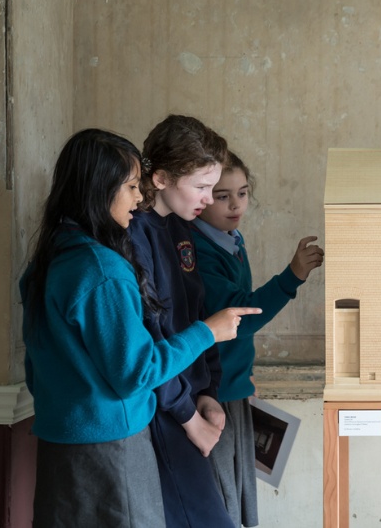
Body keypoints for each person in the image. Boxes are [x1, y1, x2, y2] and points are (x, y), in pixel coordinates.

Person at [20, 128, 260, 528]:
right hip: (112, 438)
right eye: (132, 186)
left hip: (63, 437)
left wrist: (205, 389)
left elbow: (36, 368)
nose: (139, 196)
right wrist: (207, 332)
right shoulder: (102, 266)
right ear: (99, 189)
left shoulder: (49, 258)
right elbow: (138, 372)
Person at [192, 151, 324, 527]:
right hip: (211, 395)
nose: (235, 204)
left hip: (233, 388)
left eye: (243, 193)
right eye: (222, 195)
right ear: (202, 198)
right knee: (221, 500)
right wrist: (291, 277)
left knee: (238, 493)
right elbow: (239, 317)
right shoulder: (198, 250)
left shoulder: (232, 239)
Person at [128, 115, 238, 528]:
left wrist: (207, 390)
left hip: (190, 402)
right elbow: (148, 342)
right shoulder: (134, 233)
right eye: (201, 187)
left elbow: (196, 312)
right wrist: (189, 419)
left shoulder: (182, 228)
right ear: (160, 178)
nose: (209, 199)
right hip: (162, 409)